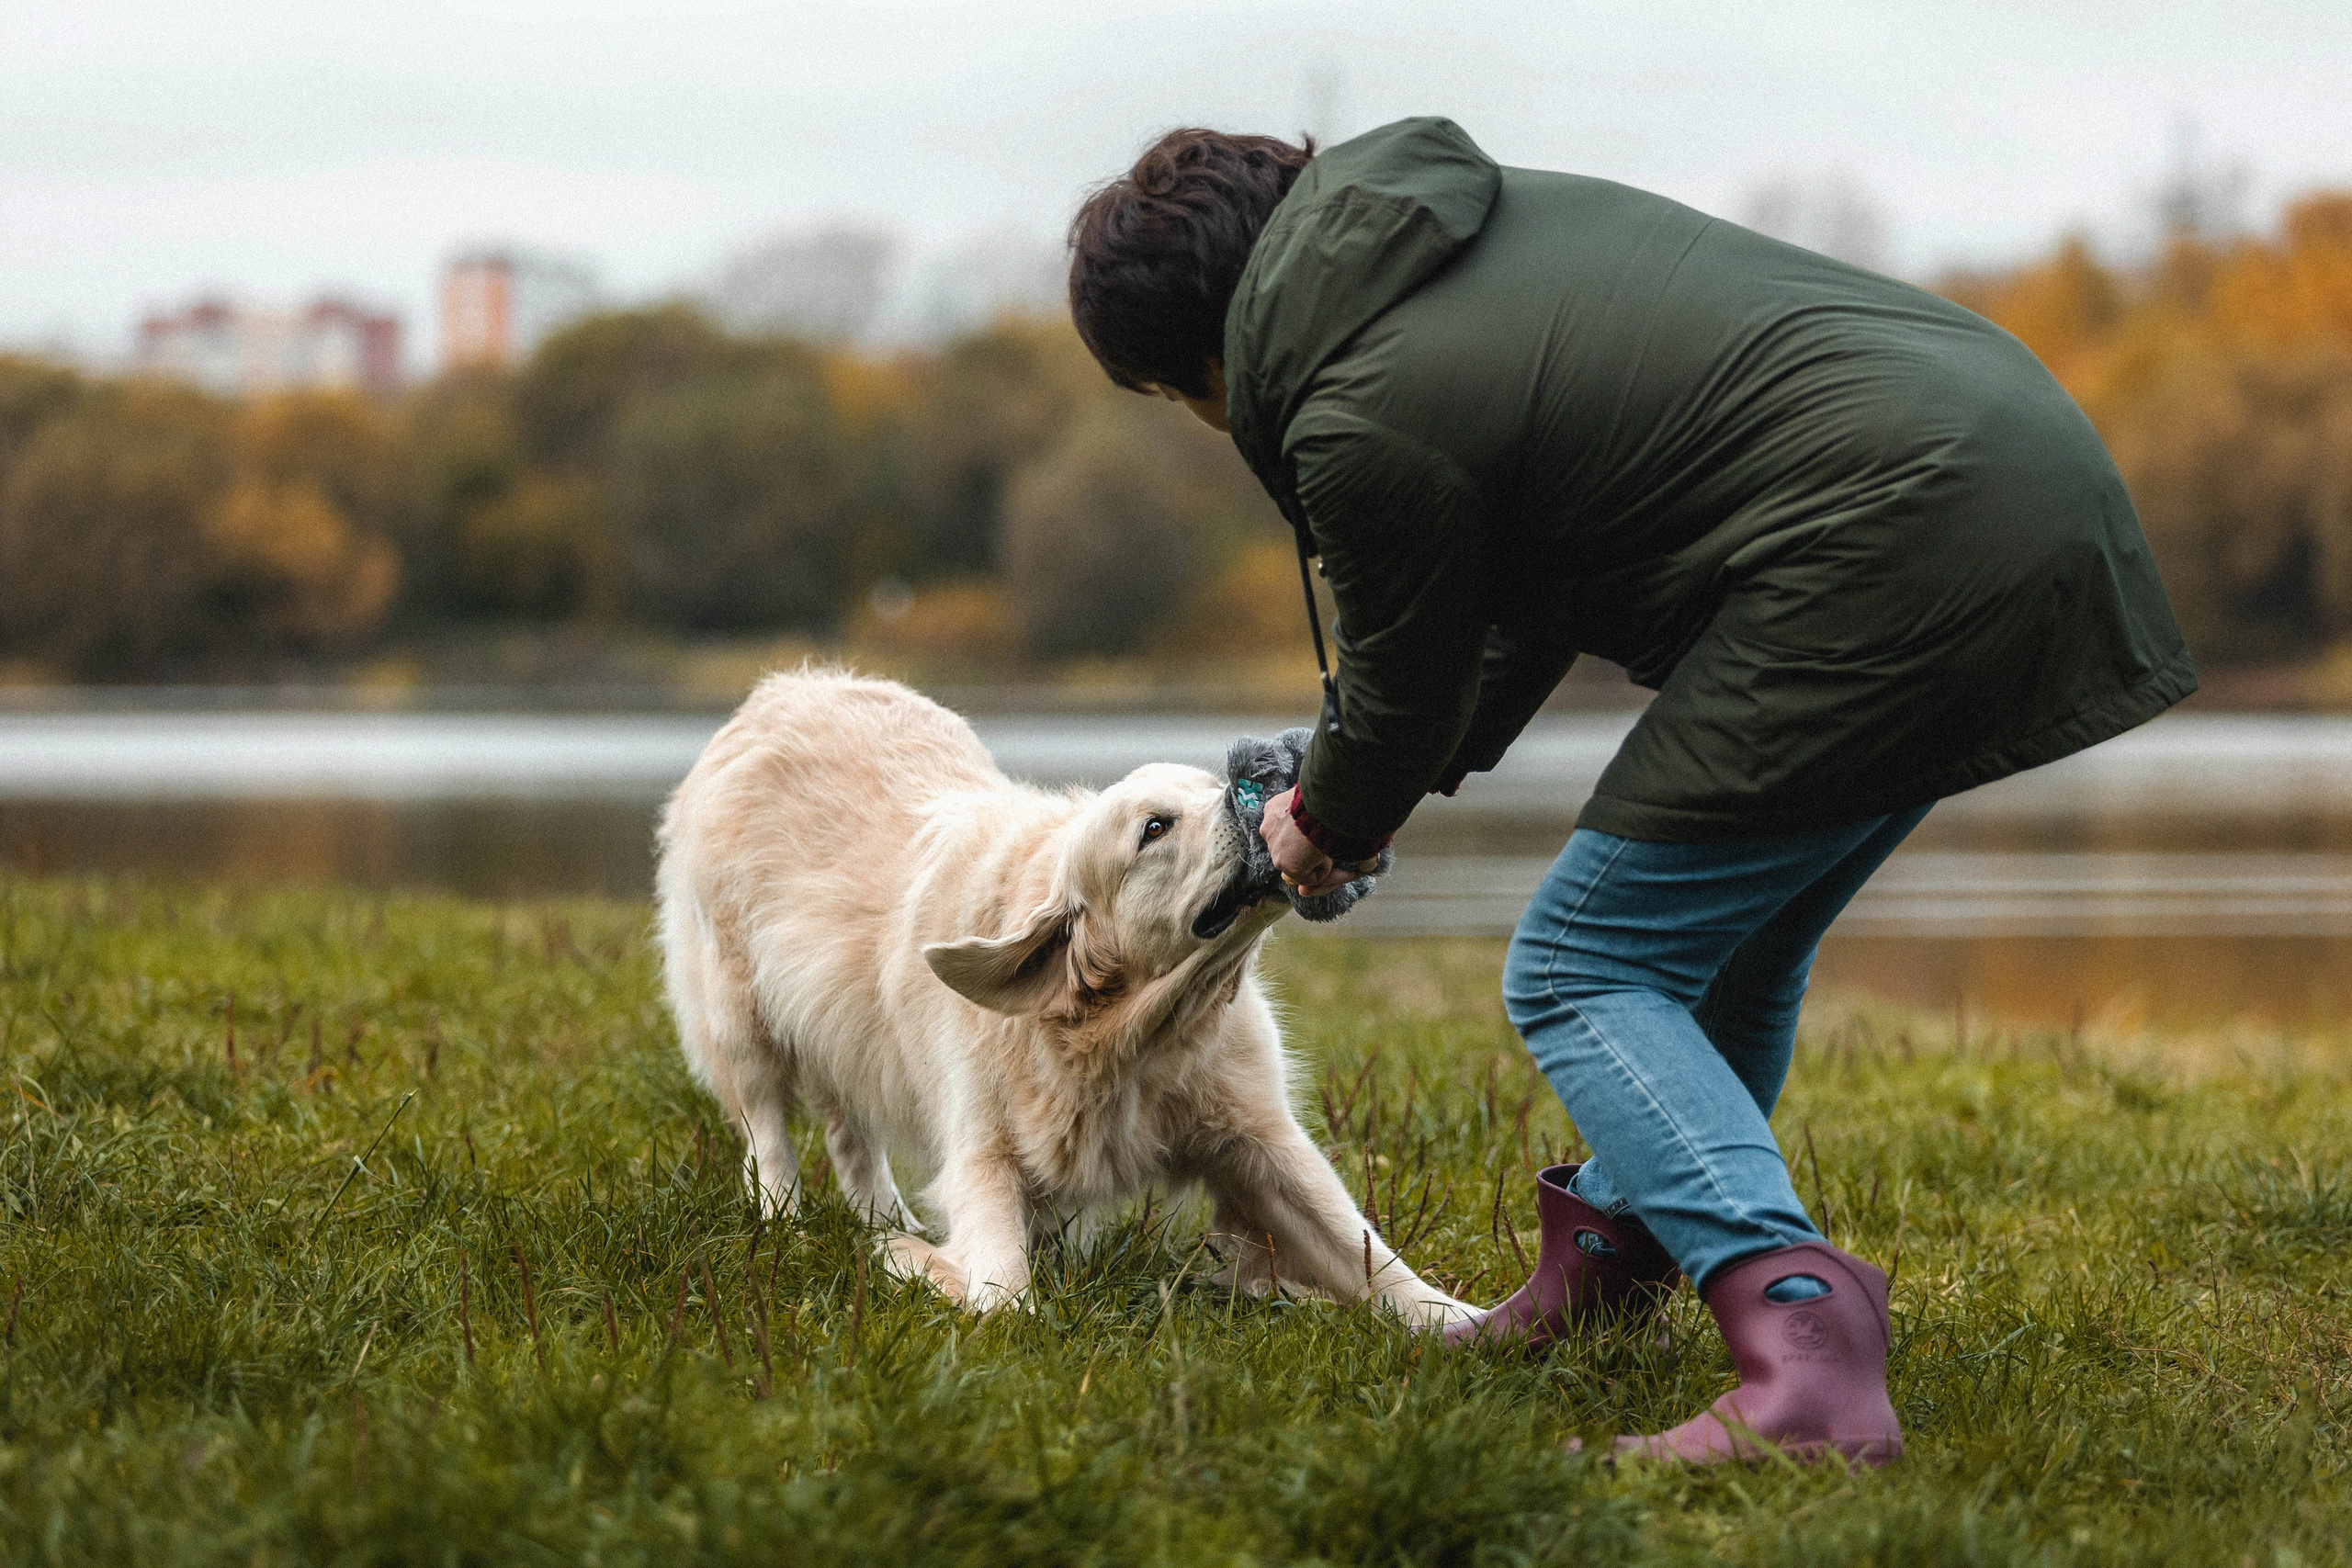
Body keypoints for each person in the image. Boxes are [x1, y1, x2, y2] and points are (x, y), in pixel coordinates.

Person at [1065, 118, 2194, 1466]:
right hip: (2021, 476)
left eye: (1176, 398)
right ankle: (1604, 1275)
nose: (1203, 424)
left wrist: (1326, 822)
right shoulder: (1444, 243)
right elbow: (1501, 611)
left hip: (1887, 535)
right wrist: (1350, 782)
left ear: (1200, 351)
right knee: (1730, 949)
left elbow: (1403, 684)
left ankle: (1806, 1356)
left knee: (1581, 962)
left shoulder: (1360, 400)